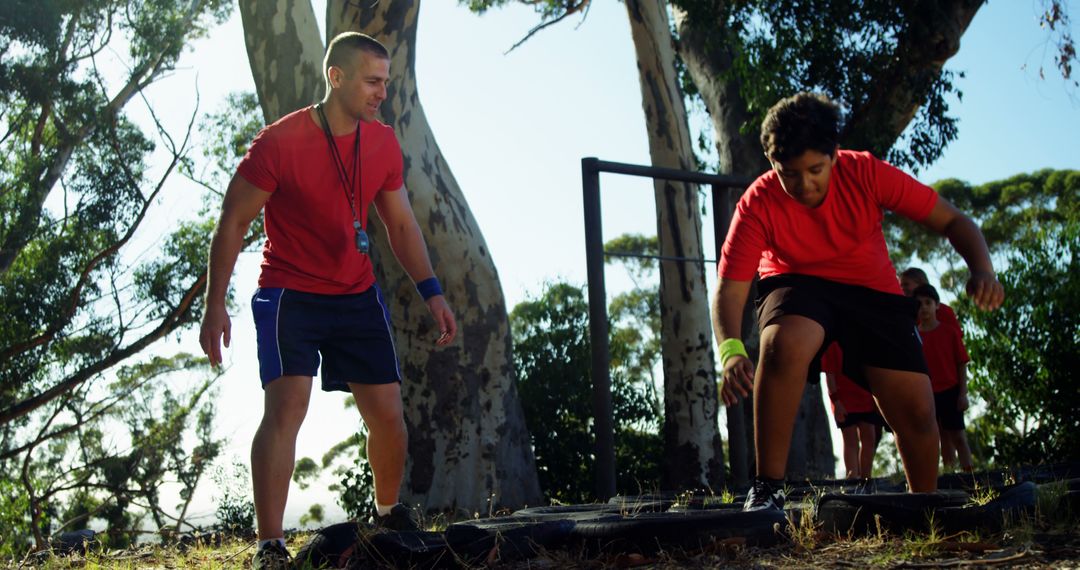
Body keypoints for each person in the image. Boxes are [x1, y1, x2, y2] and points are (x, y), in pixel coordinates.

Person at [199, 32, 457, 569]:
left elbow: (402, 224)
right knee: (288, 406)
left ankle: (387, 516)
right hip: (290, 293)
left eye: (385, 82)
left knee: (388, 415)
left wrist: (432, 291)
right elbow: (234, 221)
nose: (381, 93)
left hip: (355, 293)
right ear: (335, 77)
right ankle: (269, 546)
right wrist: (213, 304)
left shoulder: (382, 143)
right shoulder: (278, 143)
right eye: (371, 81)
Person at [711, 92, 1003, 512]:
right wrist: (731, 350)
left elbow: (954, 220)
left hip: (872, 291)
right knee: (783, 342)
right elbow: (731, 287)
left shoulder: (865, 172)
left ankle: (924, 506)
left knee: (918, 411)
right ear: (773, 165)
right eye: (789, 173)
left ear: (834, 155)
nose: (805, 185)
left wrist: (983, 269)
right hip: (796, 283)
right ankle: (767, 490)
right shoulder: (759, 201)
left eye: (815, 170)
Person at [913, 284, 974, 472]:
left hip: (951, 391)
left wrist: (963, 393)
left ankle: (970, 478)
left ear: (937, 305)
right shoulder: (914, 337)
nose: (924, 307)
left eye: (928, 302)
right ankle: (950, 479)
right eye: (919, 303)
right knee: (940, 440)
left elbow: (961, 363)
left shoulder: (950, 332)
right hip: (928, 395)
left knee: (958, 437)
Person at [820, 342, 886, 484]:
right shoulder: (832, 345)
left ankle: (866, 479)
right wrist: (836, 402)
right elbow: (829, 375)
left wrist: (877, 398)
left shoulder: (864, 339)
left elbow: (875, 371)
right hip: (844, 401)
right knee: (850, 440)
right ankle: (852, 479)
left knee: (869, 438)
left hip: (867, 398)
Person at [899, 267, 962, 335]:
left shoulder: (944, 311)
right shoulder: (904, 313)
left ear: (920, 283)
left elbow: (956, 338)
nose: (902, 289)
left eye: (906, 284)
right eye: (901, 285)